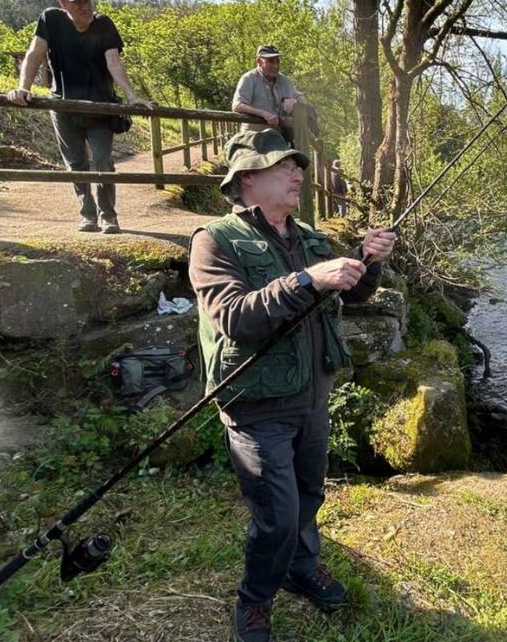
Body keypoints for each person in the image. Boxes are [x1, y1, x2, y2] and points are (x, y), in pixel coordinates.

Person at [189, 129, 396, 642]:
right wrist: (309, 279)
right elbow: (233, 317)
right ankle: (255, 600)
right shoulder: (214, 240)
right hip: (256, 403)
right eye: (283, 166)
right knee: (276, 514)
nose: (297, 173)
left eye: (297, 166)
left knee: (307, 495)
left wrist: (366, 263)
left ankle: (302, 569)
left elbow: (347, 296)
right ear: (247, 179)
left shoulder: (309, 236)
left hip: (312, 395)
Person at [7, 0, 152, 234]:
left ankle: (108, 216)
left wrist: (131, 96)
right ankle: (88, 215)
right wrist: (24, 88)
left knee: (104, 162)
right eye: (78, 2)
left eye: (87, 0)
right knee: (75, 164)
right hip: (63, 106)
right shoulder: (50, 20)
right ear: (64, 4)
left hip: (101, 108)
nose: (85, 6)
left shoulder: (104, 24)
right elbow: (34, 54)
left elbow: (113, 62)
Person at [232, 45, 303, 137]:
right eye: (270, 61)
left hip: (279, 137)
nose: (276, 66)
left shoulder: (286, 81)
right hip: (252, 136)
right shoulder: (249, 79)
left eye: (277, 61)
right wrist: (263, 114)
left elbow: (300, 97)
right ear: (259, 61)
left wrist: (296, 102)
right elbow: (237, 106)